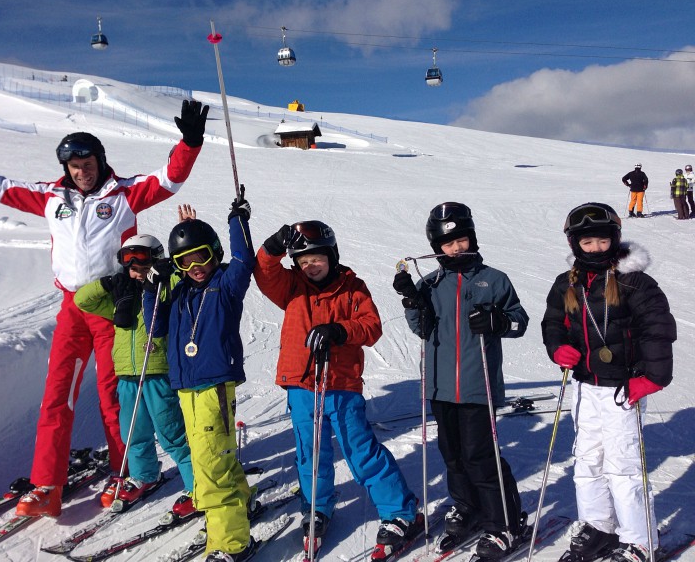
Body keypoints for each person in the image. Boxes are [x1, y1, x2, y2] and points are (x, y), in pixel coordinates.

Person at [0, 100, 209, 517]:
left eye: (87, 162)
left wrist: (191, 142)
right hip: (72, 307)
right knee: (57, 395)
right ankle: (46, 485)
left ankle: (124, 471)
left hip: (114, 306)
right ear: (66, 168)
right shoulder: (51, 197)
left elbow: (170, 178)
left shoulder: (124, 194)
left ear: (99, 161)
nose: (81, 170)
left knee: (114, 396)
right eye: (73, 165)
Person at [254, 221, 421, 560]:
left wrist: (340, 331)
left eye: (316, 258)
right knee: (310, 453)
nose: (310, 267)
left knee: (360, 450)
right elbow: (264, 273)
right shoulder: (292, 287)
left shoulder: (352, 287)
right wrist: (272, 247)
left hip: (341, 384)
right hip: (302, 385)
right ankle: (317, 507)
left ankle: (401, 512)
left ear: (331, 255)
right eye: (302, 261)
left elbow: (371, 326)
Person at [392, 202, 529, 560]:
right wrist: (411, 299)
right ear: (436, 248)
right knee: (452, 456)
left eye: (462, 240)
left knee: (479, 456)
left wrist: (497, 321)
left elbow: (519, 321)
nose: (456, 248)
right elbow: (422, 329)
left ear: (472, 239)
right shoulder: (430, 282)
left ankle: (505, 522)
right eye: (448, 244)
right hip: (439, 386)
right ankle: (467, 507)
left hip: (476, 385)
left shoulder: (493, 279)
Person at [541, 202, 675, 562]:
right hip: (585, 386)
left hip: (624, 388)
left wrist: (652, 378)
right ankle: (598, 525)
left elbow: (658, 331)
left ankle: (639, 540)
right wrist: (558, 348)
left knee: (623, 465)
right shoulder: (567, 283)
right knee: (586, 460)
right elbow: (553, 323)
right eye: (587, 243)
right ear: (575, 245)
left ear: (614, 239)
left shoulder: (636, 282)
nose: (595, 248)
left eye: (602, 241)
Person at [144, 195, 255, 562]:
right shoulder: (177, 294)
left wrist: (236, 220)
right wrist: (153, 286)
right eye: (184, 261)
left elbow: (242, 260)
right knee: (212, 454)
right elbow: (156, 326)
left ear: (214, 254)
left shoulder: (224, 285)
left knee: (212, 461)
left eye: (202, 256)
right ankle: (240, 507)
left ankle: (230, 542)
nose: (195, 266)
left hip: (212, 385)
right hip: (187, 389)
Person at [73, 232, 196, 516]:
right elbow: (83, 300)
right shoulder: (122, 298)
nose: (136, 272)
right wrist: (108, 283)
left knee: (172, 434)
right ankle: (145, 474)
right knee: (134, 432)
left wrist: (170, 270)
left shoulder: (165, 290)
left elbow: (184, 283)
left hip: (156, 373)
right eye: (131, 267)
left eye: (143, 267)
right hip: (127, 376)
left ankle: (197, 484)